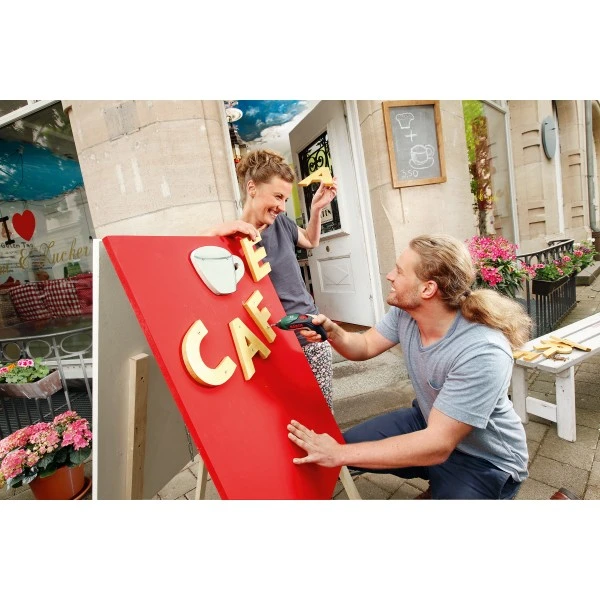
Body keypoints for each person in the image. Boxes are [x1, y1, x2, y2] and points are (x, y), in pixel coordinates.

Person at [287, 233, 532, 499]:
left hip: (484, 461)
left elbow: (437, 444)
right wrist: (335, 334)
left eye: (400, 271)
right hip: (429, 423)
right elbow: (365, 346)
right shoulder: (406, 312)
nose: (390, 276)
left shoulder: (482, 351)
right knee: (347, 445)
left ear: (428, 289)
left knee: (343, 452)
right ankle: (436, 479)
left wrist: (337, 455)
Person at [201, 149, 338, 409]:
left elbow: (310, 240)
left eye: (285, 199)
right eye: (277, 196)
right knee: (284, 418)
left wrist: (317, 209)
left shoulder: (282, 224)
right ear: (252, 188)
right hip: (267, 346)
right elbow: (186, 254)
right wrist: (218, 230)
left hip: (309, 334)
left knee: (321, 413)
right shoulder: (229, 237)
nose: (282, 207)